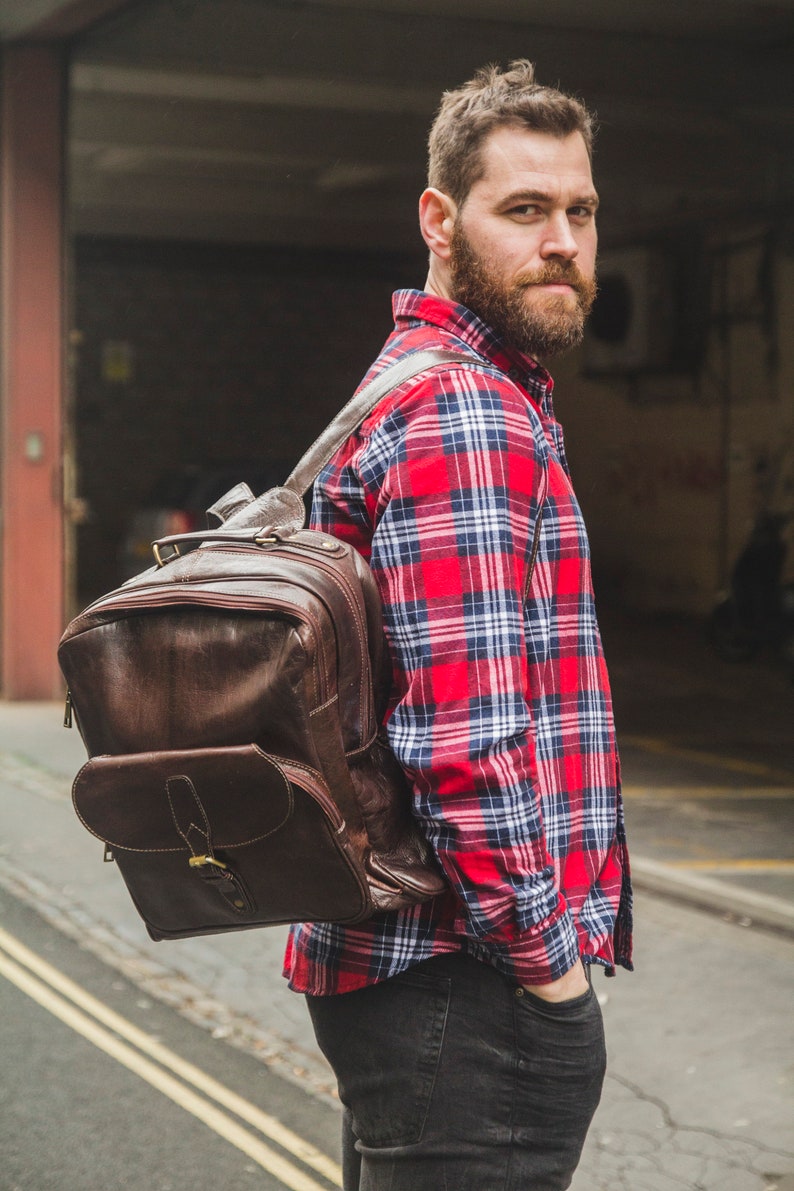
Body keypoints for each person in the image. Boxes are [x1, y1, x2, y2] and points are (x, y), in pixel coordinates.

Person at [284, 59, 633, 1191]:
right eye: (523, 210)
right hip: (466, 988)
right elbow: (465, 745)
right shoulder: (469, 415)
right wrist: (547, 972)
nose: (562, 242)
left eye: (578, 212)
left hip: (414, 981)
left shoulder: (405, 385)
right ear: (438, 219)